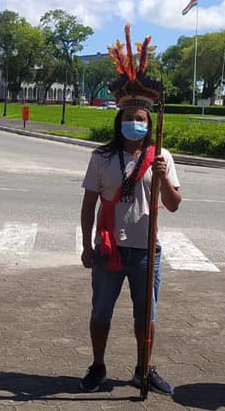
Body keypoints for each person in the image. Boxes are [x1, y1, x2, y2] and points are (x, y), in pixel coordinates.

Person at [79, 27, 182, 395]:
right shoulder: (101, 157)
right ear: (118, 120)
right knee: (101, 313)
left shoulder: (162, 156)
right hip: (108, 248)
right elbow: (89, 203)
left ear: (150, 122)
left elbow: (173, 204)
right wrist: (87, 245)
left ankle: (144, 368)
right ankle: (97, 365)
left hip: (146, 251)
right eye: (129, 117)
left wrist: (161, 179)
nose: (134, 123)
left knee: (146, 316)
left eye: (141, 118)